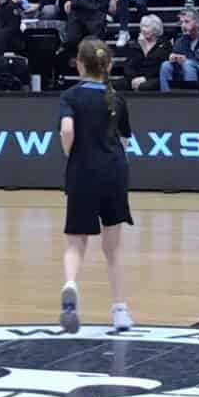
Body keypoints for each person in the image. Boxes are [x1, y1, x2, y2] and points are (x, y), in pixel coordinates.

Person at [57, 38, 134, 333]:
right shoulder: (117, 98)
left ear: (79, 65)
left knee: (75, 242)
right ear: (108, 65)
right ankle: (120, 310)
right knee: (113, 248)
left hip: (82, 173)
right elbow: (125, 140)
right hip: (113, 172)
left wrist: (69, 151)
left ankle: (71, 284)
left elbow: (67, 129)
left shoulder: (71, 96)